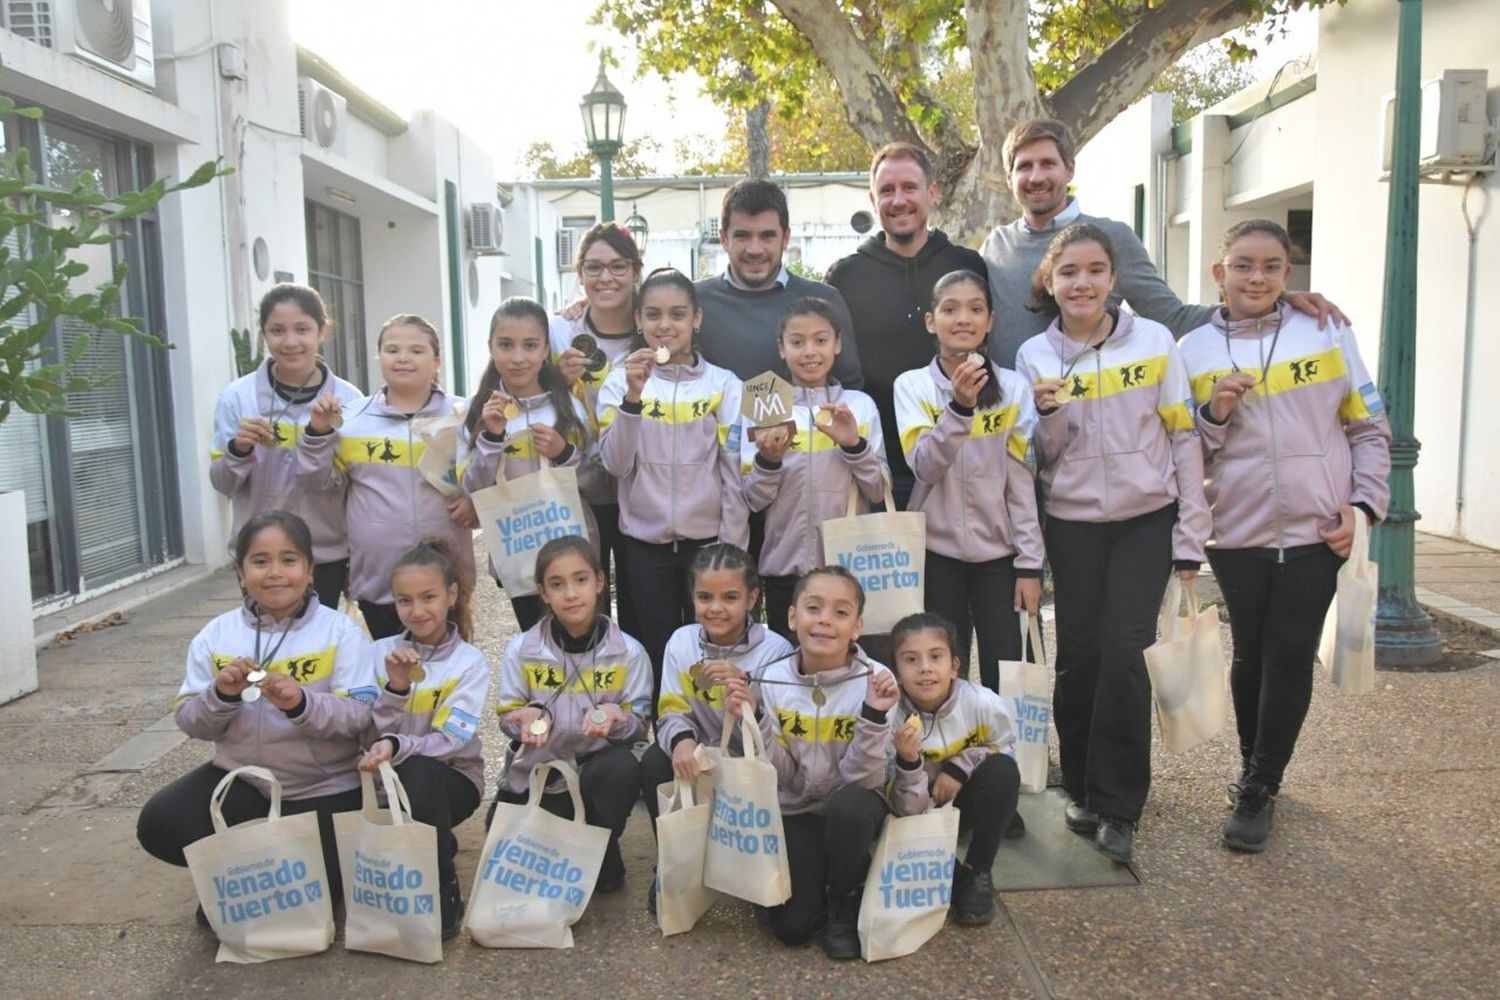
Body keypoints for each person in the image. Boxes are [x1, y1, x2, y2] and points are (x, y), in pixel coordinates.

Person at [1179, 219, 1390, 853]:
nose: (1257, 277)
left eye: (1271, 266)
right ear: (1220, 271)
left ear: (1287, 275)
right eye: (1243, 265)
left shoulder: (1327, 329)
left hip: (1316, 526)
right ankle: (1256, 767)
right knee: (1251, 651)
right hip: (1236, 528)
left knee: (1291, 652)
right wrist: (1214, 413)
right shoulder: (1192, 352)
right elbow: (1187, 450)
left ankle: (1260, 785)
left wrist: (1364, 506)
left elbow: (1368, 429)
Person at [1013, 223, 1211, 865]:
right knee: (1081, 651)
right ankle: (1083, 782)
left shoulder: (1155, 341)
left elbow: (1185, 440)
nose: (1083, 282)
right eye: (1069, 271)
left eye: (1095, 270)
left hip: (1144, 519)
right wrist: (1047, 416)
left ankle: (1120, 803)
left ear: (1113, 278)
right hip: (1070, 523)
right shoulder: (1034, 357)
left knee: (1126, 650)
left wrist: (1191, 536)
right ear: (1050, 280)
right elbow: (1041, 457)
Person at [136, 511, 376, 916]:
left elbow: (358, 717)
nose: (275, 573)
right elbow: (189, 720)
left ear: (310, 570)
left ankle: (253, 878)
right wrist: (222, 694)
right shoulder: (216, 635)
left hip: (322, 786)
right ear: (241, 573)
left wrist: (301, 703)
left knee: (322, 893)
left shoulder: (340, 632)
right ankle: (243, 873)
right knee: (160, 824)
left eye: (288, 559)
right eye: (260, 561)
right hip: (242, 779)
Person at [980, 118, 1345, 366]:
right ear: (1009, 176)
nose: (1036, 176)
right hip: (1008, 431)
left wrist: (1269, 301)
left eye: (1047, 163)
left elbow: (1171, 317)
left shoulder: (1112, 237)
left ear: (1069, 169)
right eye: (1024, 166)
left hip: (1085, 427)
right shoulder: (994, 246)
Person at [722, 566, 908, 960]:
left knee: (848, 805)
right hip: (798, 807)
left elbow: (864, 778)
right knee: (791, 929)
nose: (824, 619)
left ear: (857, 627)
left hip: (855, 805)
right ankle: (825, 871)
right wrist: (753, 719)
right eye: (813, 607)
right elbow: (780, 775)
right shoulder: (770, 679)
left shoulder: (876, 680)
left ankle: (844, 896)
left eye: (841, 613)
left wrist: (874, 716)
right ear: (792, 617)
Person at [894, 270, 1044, 689]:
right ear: (931, 321)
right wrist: (959, 409)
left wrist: (1030, 565)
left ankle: (1008, 754)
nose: (963, 319)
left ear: (991, 321)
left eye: (975, 309)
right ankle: (946, 753)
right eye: (950, 309)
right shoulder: (913, 386)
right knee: (939, 674)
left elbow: (1021, 484)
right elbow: (924, 466)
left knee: (1008, 669)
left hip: (1000, 557)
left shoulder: (1014, 388)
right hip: (935, 555)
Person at [597, 268, 747, 687]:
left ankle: (711, 736)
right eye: (654, 315)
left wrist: (730, 546)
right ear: (639, 321)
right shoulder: (618, 383)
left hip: (708, 545)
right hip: (644, 546)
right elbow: (615, 465)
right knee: (657, 650)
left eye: (678, 314)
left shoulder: (724, 385)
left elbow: (733, 470)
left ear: (696, 319)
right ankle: (668, 739)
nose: (666, 326)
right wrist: (632, 399)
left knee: (713, 647)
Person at [826, 142, 987, 507]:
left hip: (963, 456)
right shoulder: (845, 277)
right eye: (887, 190)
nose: (898, 200)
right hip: (878, 468)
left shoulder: (967, 266)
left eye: (909, 188)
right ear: (873, 198)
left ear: (932, 192)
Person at [297, 314, 478, 640]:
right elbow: (317, 483)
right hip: (378, 579)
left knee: (447, 669)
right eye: (392, 350)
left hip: (445, 574)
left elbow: (484, 480)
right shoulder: (351, 420)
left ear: (437, 361)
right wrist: (316, 434)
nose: (404, 358)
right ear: (379, 358)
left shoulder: (462, 416)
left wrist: (473, 503)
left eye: (417, 351)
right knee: (387, 673)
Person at [492, 535, 652, 893]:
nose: (571, 593)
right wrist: (524, 718)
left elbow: (640, 726)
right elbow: (507, 715)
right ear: (543, 593)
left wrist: (618, 718)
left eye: (581, 580)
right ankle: (566, 840)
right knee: (501, 843)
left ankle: (600, 844)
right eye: (557, 584)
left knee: (621, 770)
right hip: (540, 776)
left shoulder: (630, 653)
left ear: (599, 582)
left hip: (596, 774)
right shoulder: (522, 650)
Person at [641, 543, 795, 909]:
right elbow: (672, 707)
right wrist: (680, 742)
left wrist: (745, 695)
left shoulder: (775, 651)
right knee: (653, 763)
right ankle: (674, 861)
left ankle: (751, 861)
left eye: (730, 597)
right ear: (691, 597)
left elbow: (778, 731)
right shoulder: (681, 641)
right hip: (701, 753)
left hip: (750, 759)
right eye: (704, 596)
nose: (716, 608)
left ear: (752, 598)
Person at [359, 539, 490, 939]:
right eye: (404, 600)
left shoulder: (469, 661)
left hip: (452, 781)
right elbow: (362, 729)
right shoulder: (377, 653)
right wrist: (395, 690)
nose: (417, 611)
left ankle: (442, 882)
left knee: (418, 771)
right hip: (378, 783)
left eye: (428, 597)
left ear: (451, 596)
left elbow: (451, 739)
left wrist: (398, 746)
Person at [210, 284, 363, 609]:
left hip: (326, 554)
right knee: (266, 649)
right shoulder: (237, 398)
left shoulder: (350, 401)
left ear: (322, 330)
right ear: (264, 334)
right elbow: (222, 483)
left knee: (320, 651)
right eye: (277, 330)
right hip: (259, 557)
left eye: (302, 329)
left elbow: (356, 487)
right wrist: (238, 449)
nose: (290, 342)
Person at [742, 297, 887, 636]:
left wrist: (853, 444)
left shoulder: (858, 406)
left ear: (837, 344)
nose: (809, 352)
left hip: (846, 568)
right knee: (788, 666)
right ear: (781, 348)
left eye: (821, 340)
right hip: (782, 567)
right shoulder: (765, 404)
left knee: (842, 667)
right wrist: (769, 460)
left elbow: (878, 489)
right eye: (797, 342)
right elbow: (752, 499)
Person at [462, 297, 601, 630]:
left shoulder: (570, 408)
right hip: (516, 556)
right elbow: (472, 490)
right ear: (491, 347)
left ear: (545, 350)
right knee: (536, 646)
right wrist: (492, 441)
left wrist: (564, 454)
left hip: (574, 555)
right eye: (506, 345)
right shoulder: (476, 411)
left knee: (586, 645)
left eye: (530, 345)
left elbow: (601, 483)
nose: (518, 357)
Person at [887, 611, 1022, 927]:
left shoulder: (983, 703)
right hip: (912, 810)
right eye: (911, 659)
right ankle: (948, 867)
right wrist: (908, 762)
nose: (925, 668)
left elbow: (1005, 749)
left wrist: (959, 768)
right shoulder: (889, 716)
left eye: (936, 656)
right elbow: (901, 806)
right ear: (896, 671)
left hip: (964, 798)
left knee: (1002, 773)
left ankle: (978, 870)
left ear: (955, 666)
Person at [551, 222, 644, 635]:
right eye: (593, 267)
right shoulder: (561, 333)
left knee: (640, 603)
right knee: (584, 603)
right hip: (576, 483)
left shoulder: (655, 332)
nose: (605, 277)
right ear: (579, 275)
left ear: (636, 271)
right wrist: (556, 379)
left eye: (618, 266)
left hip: (638, 485)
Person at [695, 178, 863, 388]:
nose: (754, 249)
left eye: (767, 236)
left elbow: (849, 387)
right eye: (742, 236)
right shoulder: (694, 304)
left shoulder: (824, 301)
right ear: (724, 239)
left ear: (785, 238)